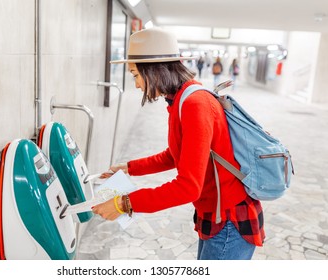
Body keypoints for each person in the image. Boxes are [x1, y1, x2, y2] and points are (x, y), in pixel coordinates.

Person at [92, 27, 265, 260]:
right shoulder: (181, 98)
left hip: (229, 221)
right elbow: (176, 155)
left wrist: (125, 203)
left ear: (154, 70)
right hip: (215, 214)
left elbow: (187, 187)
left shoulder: (195, 103)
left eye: (135, 75)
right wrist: (130, 168)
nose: (136, 85)